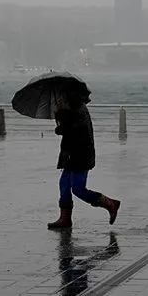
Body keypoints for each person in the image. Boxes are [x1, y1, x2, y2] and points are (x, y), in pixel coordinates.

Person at [47, 93, 121, 230]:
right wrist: (59, 116)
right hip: (70, 154)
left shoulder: (77, 109)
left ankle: (110, 203)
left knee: (78, 188)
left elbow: (69, 130)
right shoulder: (72, 108)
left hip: (80, 155)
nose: (59, 98)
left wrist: (59, 118)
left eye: (61, 96)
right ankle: (65, 219)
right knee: (64, 185)